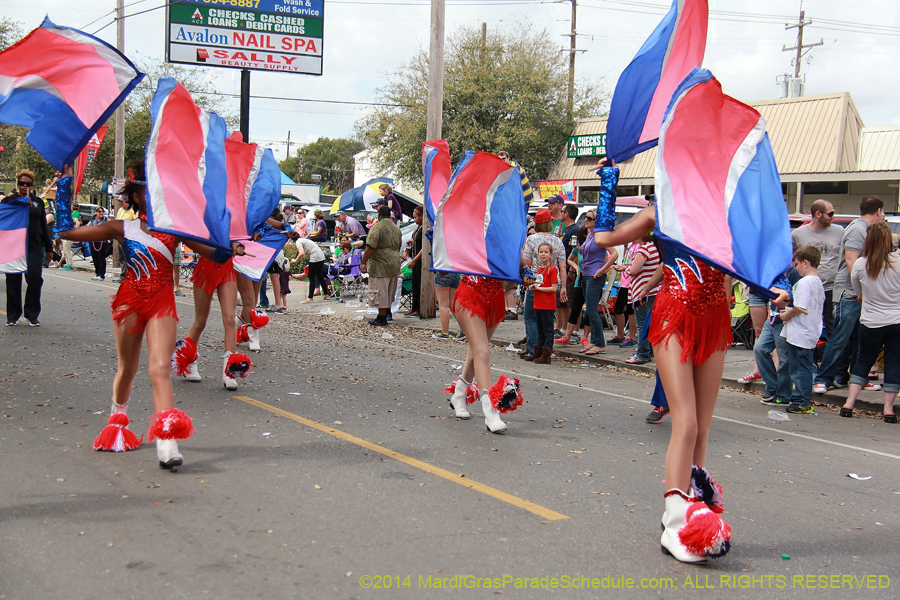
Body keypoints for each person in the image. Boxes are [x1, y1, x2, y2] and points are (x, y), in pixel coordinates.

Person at [57, 161, 245, 468]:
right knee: (126, 370)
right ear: (135, 196)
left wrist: (229, 246)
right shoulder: (122, 227)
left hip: (162, 301)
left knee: (159, 368)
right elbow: (68, 232)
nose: (152, 193)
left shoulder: (175, 231)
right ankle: (118, 418)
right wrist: (64, 186)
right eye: (145, 189)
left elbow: (213, 252)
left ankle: (167, 439)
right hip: (128, 301)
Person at [593, 158, 732, 564]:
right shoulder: (660, 211)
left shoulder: (725, 212)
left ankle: (692, 508)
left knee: (703, 428)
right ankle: (675, 524)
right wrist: (608, 180)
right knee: (684, 421)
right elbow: (605, 238)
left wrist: (775, 285)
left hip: (715, 319)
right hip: (674, 315)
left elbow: (745, 260)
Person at [814, 196, 885, 394]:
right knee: (839, 338)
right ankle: (823, 378)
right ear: (878, 211)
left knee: (859, 340)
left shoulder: (867, 230)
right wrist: (862, 289)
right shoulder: (857, 229)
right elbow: (851, 260)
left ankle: (857, 378)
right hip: (850, 294)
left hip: (862, 295)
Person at [840, 222, 900, 422]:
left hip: (871, 321)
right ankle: (889, 409)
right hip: (896, 320)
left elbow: (858, 293)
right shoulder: (898, 262)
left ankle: (849, 403)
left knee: (863, 360)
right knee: (893, 362)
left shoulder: (861, 264)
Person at [174, 244, 251, 391]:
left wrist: (239, 245)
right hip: (205, 268)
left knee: (229, 319)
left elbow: (244, 229)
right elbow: (195, 239)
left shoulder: (232, 220)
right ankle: (189, 361)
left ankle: (230, 370)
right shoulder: (205, 220)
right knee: (200, 321)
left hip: (227, 269)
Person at [3, 169, 53, 327]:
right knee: (13, 279)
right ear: (17, 185)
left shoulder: (38, 202)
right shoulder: (9, 201)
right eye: (21, 183)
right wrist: (21, 202)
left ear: (32, 185)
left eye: (28, 184)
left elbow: (43, 226)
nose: (24, 186)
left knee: (34, 279)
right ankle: (13, 315)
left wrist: (49, 248)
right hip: (14, 244)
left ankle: (32, 315)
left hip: (34, 244)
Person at [779, 246, 825, 414]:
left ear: (806, 263)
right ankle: (802, 397)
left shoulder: (805, 282)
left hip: (801, 331)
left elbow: (800, 307)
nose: (795, 267)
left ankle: (801, 399)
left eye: (797, 264)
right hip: (810, 329)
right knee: (802, 365)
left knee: (799, 367)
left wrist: (785, 315)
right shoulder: (817, 281)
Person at [520, 209, 568, 360]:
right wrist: (564, 287)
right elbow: (563, 266)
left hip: (535, 281)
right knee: (545, 319)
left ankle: (533, 349)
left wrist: (525, 277)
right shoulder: (558, 241)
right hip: (553, 283)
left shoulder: (531, 239)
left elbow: (526, 262)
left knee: (530, 317)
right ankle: (539, 350)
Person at [792, 199, 843, 336]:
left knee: (833, 326)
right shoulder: (798, 234)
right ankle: (811, 355)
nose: (833, 217)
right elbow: (793, 261)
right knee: (807, 324)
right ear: (818, 214)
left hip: (831, 288)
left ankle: (832, 357)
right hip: (808, 289)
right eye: (830, 213)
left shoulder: (839, 231)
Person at [754, 266, 801, 407]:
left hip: (783, 319)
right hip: (772, 319)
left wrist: (788, 312)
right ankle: (773, 386)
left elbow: (795, 298)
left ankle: (783, 394)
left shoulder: (793, 274)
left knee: (784, 358)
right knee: (760, 348)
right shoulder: (773, 272)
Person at [580, 215, 618, 356]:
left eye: (589, 218)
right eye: (586, 217)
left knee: (591, 310)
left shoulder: (600, 236)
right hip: (587, 275)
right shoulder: (590, 235)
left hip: (595, 276)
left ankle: (600, 344)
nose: (586, 220)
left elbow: (614, 254)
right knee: (589, 310)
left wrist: (602, 269)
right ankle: (595, 341)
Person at [362, 205, 401, 326]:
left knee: (380, 291)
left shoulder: (377, 228)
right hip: (394, 263)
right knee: (389, 290)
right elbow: (399, 246)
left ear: (379, 215)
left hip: (380, 264)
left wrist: (363, 261)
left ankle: (382, 317)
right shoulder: (396, 229)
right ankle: (386, 314)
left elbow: (370, 246)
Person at [626, 235, 661, 365]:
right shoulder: (654, 248)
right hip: (654, 290)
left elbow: (634, 270)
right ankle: (650, 350)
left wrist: (628, 269)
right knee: (651, 323)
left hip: (642, 291)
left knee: (642, 324)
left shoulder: (643, 250)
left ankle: (642, 353)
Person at [555, 225, 590, 347]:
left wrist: (601, 272)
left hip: (591, 279)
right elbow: (570, 259)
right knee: (574, 307)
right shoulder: (580, 247)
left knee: (590, 310)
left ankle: (584, 336)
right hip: (579, 280)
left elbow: (606, 258)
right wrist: (574, 267)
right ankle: (567, 336)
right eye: (586, 232)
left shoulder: (593, 245)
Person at [527, 242, 559, 364]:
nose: (543, 254)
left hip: (547, 304)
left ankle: (546, 355)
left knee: (547, 330)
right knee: (540, 329)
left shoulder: (553, 269)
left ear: (551, 255)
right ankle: (538, 352)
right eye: (541, 252)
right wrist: (534, 287)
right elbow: (540, 284)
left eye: (546, 252)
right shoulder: (540, 269)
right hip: (538, 303)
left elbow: (553, 288)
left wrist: (539, 288)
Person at [610, 241, 639, 346]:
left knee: (630, 309)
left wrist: (624, 268)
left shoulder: (639, 246)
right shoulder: (630, 245)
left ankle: (632, 337)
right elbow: (626, 261)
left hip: (631, 282)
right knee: (618, 307)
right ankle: (620, 335)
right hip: (624, 282)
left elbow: (636, 264)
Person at [557, 203, 580, 333]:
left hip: (569, 270)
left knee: (571, 301)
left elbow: (575, 251)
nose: (560, 213)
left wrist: (572, 269)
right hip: (563, 269)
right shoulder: (566, 229)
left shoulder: (574, 230)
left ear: (566, 214)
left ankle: (575, 330)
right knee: (564, 302)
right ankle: (564, 328)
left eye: (562, 211)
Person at [294, 236, 328, 302]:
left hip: (315, 257)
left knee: (311, 277)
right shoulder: (303, 240)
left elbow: (301, 253)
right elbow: (299, 252)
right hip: (321, 256)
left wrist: (295, 260)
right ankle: (326, 294)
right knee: (319, 275)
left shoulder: (298, 242)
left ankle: (310, 297)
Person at [404, 206, 424, 317]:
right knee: (415, 283)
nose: (415, 220)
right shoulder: (418, 228)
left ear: (422, 216)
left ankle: (420, 307)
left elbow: (425, 246)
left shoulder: (425, 228)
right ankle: (414, 307)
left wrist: (415, 260)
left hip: (420, 260)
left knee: (420, 283)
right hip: (416, 259)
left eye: (416, 217)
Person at [433, 270, 463, 340]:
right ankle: (464, 331)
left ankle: (445, 333)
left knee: (443, 305)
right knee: (453, 304)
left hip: (443, 272)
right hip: (455, 273)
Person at [88, 207, 112, 281]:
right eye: (99, 211)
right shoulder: (93, 219)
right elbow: (88, 227)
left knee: (101, 258)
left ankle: (101, 275)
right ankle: (97, 273)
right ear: (96, 212)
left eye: (102, 211)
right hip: (93, 241)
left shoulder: (106, 220)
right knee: (95, 258)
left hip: (102, 242)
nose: (101, 213)